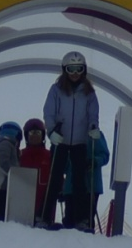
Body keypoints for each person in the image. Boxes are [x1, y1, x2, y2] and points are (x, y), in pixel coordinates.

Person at [43, 51, 102, 231]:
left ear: (84, 70)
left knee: (79, 180)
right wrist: (51, 131)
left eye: (79, 69)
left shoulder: (89, 92)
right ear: (64, 70)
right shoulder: (56, 90)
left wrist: (93, 127)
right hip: (60, 139)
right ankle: (45, 217)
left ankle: (81, 219)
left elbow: (93, 113)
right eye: (71, 69)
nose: (75, 73)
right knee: (55, 179)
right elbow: (49, 112)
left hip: (79, 141)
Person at [16, 119, 52, 227]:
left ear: (43, 135)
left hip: (45, 206)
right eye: (31, 133)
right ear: (26, 136)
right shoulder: (19, 155)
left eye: (38, 133)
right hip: (22, 205)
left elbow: (56, 175)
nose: (35, 136)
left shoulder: (50, 156)